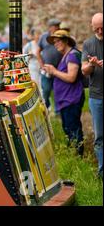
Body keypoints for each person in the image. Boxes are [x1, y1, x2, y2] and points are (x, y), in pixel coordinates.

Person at [43, 29, 84, 156]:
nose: (55, 44)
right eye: (54, 42)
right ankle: (74, 153)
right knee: (68, 129)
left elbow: (71, 77)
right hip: (66, 99)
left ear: (66, 41)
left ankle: (78, 156)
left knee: (73, 129)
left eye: (58, 41)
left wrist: (54, 71)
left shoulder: (71, 55)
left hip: (72, 99)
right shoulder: (66, 55)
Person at [81, 12, 103, 178]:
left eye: (103, 28)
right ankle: (102, 172)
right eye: (97, 28)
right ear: (92, 26)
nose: (101, 31)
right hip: (96, 96)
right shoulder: (88, 44)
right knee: (99, 137)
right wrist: (92, 64)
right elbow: (84, 70)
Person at [36, 18, 63, 112]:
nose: (57, 27)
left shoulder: (61, 36)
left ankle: (57, 110)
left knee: (58, 90)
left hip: (59, 69)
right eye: (55, 26)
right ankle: (46, 108)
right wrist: (42, 65)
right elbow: (37, 52)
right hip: (46, 69)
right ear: (50, 27)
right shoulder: (44, 37)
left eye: (58, 26)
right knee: (46, 90)